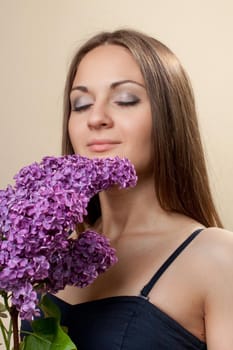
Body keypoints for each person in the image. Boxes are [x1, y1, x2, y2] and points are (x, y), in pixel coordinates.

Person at [26, 29, 233, 349]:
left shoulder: (217, 257)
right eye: (80, 104)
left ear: (170, 117)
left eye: (125, 99)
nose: (95, 118)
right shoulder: (46, 254)